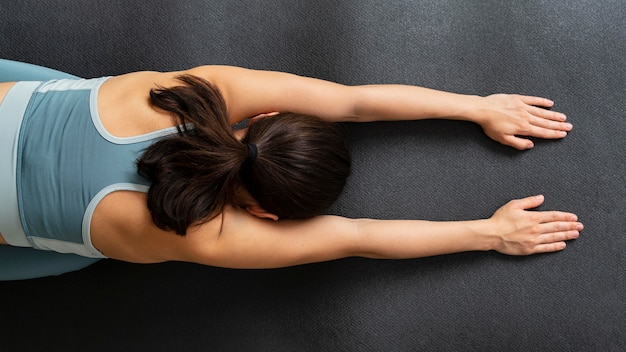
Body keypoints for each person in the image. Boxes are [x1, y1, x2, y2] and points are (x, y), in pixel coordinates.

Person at [0, 65, 582, 268]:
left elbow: (353, 101)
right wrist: (489, 234)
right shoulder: (209, 236)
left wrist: (475, 107)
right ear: (267, 214)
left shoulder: (207, 89)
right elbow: (357, 238)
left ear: (267, 115)